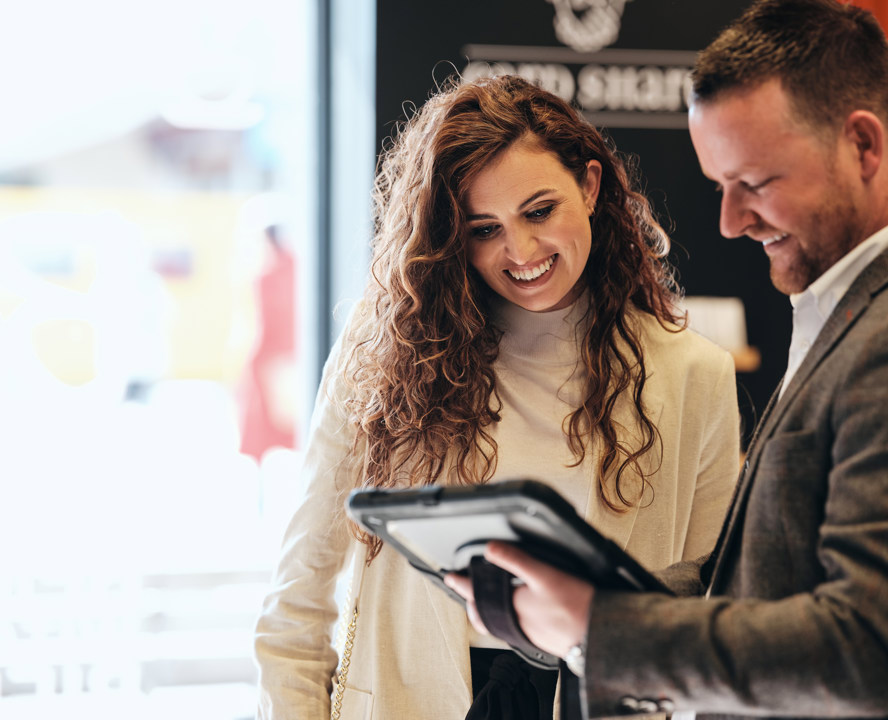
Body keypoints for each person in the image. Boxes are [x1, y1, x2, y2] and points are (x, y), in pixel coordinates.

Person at [447, 1, 888, 718]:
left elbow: (865, 651)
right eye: (720, 188)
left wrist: (597, 625)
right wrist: (572, 597)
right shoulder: (860, 306)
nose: (732, 222)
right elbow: (762, 581)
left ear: (863, 145)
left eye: (757, 184)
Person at [254, 74, 741, 720]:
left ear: (591, 187)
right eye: (484, 229)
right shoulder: (388, 351)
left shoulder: (693, 375)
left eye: (540, 211)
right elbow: (295, 606)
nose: (522, 251)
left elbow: (710, 623)